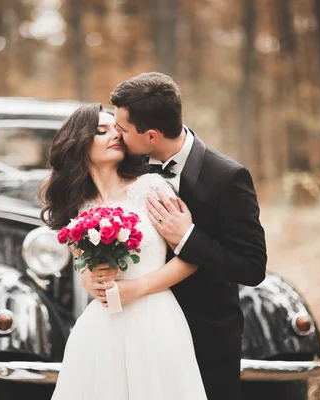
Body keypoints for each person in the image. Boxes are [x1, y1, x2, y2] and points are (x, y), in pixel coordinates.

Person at [80, 72, 268, 399]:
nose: (117, 136)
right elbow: (96, 215)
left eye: (122, 129)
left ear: (151, 136)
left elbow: (252, 267)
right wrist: (87, 273)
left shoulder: (227, 178)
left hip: (205, 334)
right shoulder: (126, 162)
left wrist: (189, 237)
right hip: (136, 331)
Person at [41, 104, 207, 400]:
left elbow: (190, 258)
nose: (114, 135)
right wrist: (88, 280)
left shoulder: (151, 188)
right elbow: (84, 267)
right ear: (79, 142)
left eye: (116, 129)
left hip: (154, 319)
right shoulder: (79, 207)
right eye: (101, 131)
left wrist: (136, 288)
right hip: (102, 324)